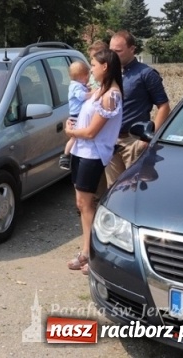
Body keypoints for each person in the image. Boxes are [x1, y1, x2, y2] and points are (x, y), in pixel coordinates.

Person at [64, 48, 123, 275]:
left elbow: (91, 132)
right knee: (81, 204)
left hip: (92, 153)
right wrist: (74, 131)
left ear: (105, 67)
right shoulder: (99, 91)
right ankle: (87, 251)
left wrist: (72, 133)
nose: (91, 69)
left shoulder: (111, 96)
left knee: (87, 204)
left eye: (94, 65)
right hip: (82, 152)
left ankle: (92, 253)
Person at [105, 30, 170, 188]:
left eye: (118, 51)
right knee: (113, 190)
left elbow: (164, 106)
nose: (113, 55)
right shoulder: (110, 73)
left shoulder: (146, 74)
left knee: (134, 190)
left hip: (134, 141)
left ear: (132, 49)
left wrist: (149, 138)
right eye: (111, 51)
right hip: (111, 140)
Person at [59, 61, 91, 170]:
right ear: (84, 76)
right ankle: (65, 157)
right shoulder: (76, 87)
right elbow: (81, 96)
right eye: (87, 76)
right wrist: (92, 94)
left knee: (76, 137)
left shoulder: (77, 84)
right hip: (76, 116)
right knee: (74, 138)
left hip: (76, 115)